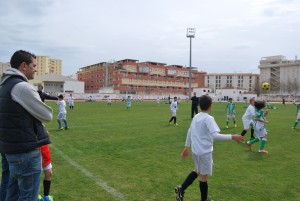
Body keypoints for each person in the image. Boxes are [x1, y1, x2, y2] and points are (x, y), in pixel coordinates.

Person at [0, 50, 53, 201]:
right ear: (24, 66)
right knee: (28, 197)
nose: (36, 69)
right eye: (34, 65)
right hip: (25, 153)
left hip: (11, 150)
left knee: (12, 194)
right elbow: (47, 115)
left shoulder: (5, 85)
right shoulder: (22, 86)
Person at [175, 95, 243, 201]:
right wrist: (233, 136)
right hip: (204, 152)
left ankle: (181, 189)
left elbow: (189, 131)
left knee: (197, 171)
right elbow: (215, 136)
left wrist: (187, 147)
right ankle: (204, 199)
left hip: (196, 151)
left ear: (199, 105)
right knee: (203, 177)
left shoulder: (196, 116)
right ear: (210, 106)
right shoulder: (208, 118)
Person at [37, 85, 55, 201]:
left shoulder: (40, 113)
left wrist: (45, 132)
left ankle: (46, 196)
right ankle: (36, 195)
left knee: (49, 173)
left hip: (44, 148)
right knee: (35, 175)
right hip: (36, 149)